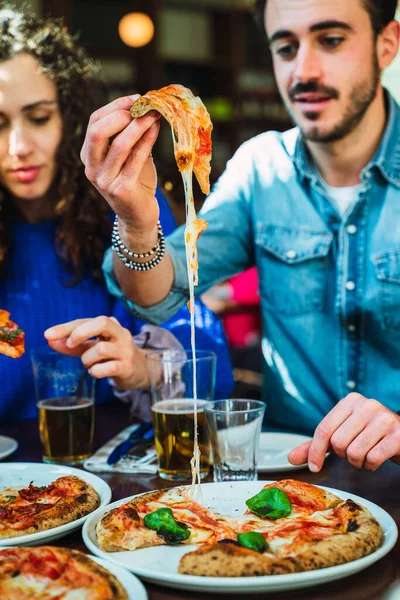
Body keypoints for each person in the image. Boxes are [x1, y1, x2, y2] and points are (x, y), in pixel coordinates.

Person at [82, 0, 400, 473]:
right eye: (285, 47)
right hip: (288, 481)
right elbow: (161, 292)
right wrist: (136, 220)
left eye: (331, 40)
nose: (304, 71)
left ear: (386, 44)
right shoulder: (260, 168)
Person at [0, 6, 233, 422]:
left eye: (38, 118)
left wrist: (142, 368)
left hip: (108, 470)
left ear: (69, 118)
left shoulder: (126, 203)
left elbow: (212, 367)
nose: (18, 146)